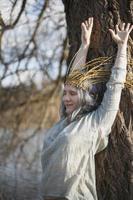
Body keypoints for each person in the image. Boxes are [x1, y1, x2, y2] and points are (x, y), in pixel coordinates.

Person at [41, 17, 133, 200]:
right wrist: (84, 45)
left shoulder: (96, 123)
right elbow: (75, 79)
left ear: (84, 97)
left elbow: (115, 85)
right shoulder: (64, 121)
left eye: (72, 94)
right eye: (65, 93)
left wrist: (122, 48)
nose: (66, 98)